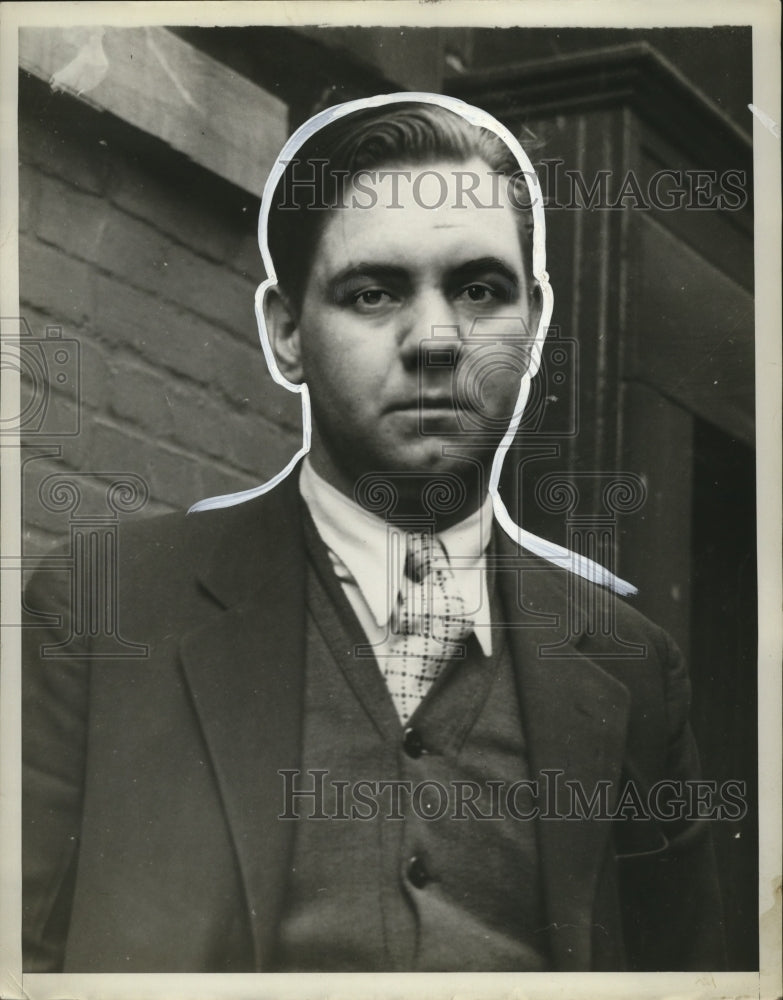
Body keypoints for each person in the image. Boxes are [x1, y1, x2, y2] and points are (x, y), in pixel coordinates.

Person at [22, 94, 725, 973]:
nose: (434, 339)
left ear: (534, 326)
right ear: (286, 334)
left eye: (477, 290)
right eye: (372, 291)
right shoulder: (107, 612)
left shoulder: (628, 663)